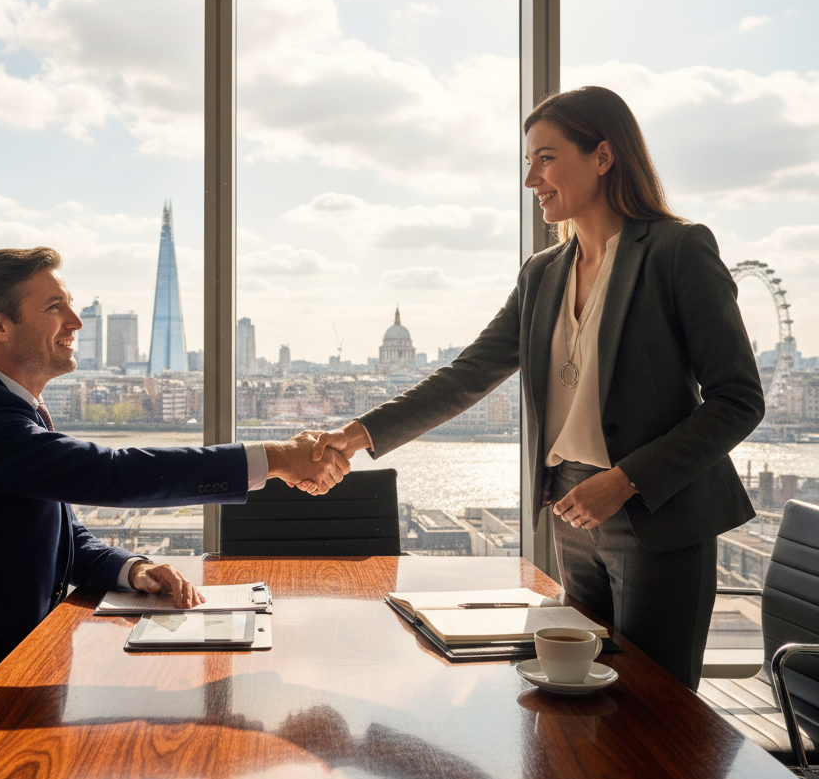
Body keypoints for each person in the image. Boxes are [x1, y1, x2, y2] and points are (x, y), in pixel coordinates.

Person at [311, 86, 765, 690]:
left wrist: (625, 481)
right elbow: (469, 374)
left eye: (545, 159)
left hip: (656, 509)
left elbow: (739, 399)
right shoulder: (542, 272)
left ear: (603, 156)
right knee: (580, 695)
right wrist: (357, 435)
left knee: (657, 708)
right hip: (571, 508)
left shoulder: (678, 251)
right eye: (529, 162)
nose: (532, 180)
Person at [0, 247, 349, 761]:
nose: (77, 321)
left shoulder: (6, 409)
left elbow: (63, 534)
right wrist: (276, 458)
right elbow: (114, 474)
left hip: (10, 670)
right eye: (54, 308)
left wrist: (133, 568)